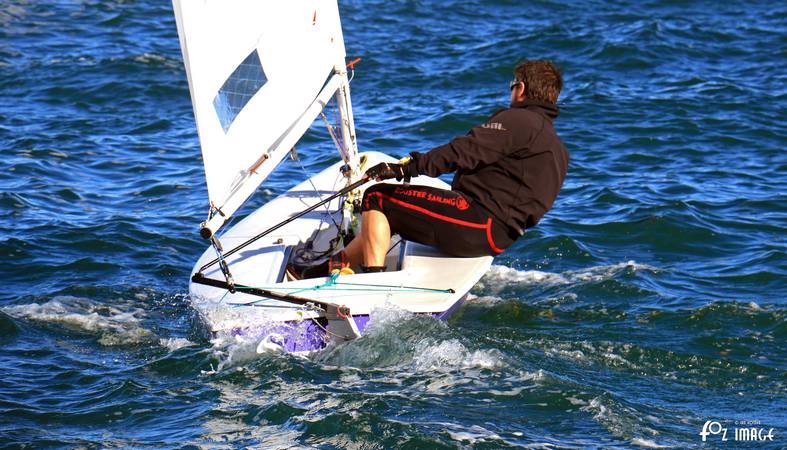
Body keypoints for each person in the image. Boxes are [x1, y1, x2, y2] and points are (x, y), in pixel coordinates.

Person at [291, 60, 568, 278]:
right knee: (395, 213)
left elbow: (464, 151)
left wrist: (406, 169)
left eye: (512, 84)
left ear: (520, 89)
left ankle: (371, 286)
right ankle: (326, 268)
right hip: (496, 238)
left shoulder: (519, 120)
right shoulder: (556, 147)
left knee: (377, 197)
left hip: (476, 222)